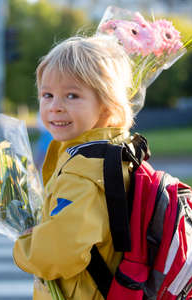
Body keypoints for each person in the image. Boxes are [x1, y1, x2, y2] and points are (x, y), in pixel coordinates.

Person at [13, 35, 135, 300]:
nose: (55, 107)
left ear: (106, 103)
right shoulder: (112, 150)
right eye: (47, 95)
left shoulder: (83, 173)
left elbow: (61, 253)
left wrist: (25, 243)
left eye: (72, 95)